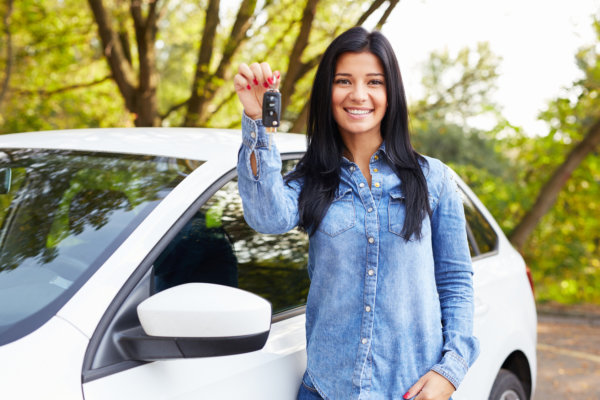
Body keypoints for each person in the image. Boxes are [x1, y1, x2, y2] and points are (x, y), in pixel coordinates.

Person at [233, 27, 479, 400]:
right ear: (327, 93)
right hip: (326, 390)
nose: (359, 95)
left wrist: (450, 370)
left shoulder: (434, 179)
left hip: (409, 391)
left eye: (374, 82)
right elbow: (267, 217)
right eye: (344, 81)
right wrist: (258, 120)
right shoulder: (311, 180)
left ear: (390, 92)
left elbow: (456, 281)